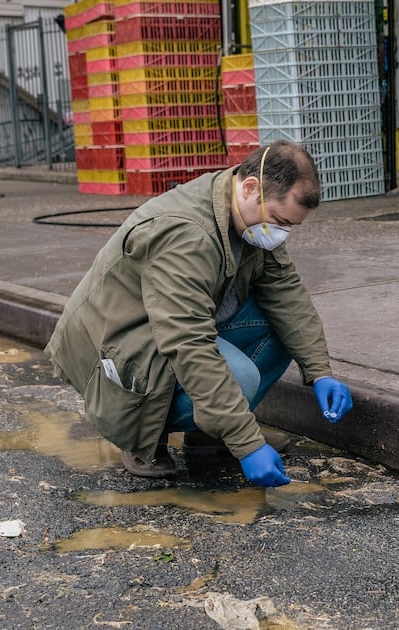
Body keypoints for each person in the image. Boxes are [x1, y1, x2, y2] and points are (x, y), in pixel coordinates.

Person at [45, 140, 353, 486]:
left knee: (282, 328)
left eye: (289, 227)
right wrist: (247, 443)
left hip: (161, 335)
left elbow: (286, 295)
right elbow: (189, 343)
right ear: (251, 187)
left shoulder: (244, 212)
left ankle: (209, 433)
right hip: (120, 353)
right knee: (240, 377)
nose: (280, 234)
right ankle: (142, 436)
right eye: (279, 221)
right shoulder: (186, 235)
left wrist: (320, 371)